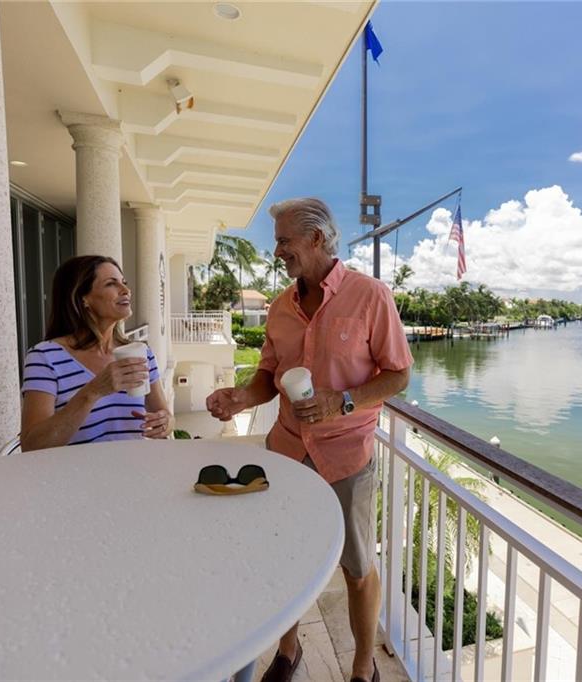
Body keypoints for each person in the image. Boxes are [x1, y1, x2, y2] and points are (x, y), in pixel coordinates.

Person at [206, 198, 412, 682]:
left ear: (316, 239)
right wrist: (240, 398)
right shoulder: (280, 308)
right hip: (286, 452)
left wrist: (341, 401)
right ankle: (289, 651)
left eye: (283, 240)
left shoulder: (370, 295)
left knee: (357, 567)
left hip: (345, 456)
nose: (277, 251)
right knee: (283, 555)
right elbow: (267, 377)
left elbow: (399, 375)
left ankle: (362, 669)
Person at [21, 255, 172, 450]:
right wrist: (93, 391)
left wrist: (165, 422)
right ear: (83, 298)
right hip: (72, 477)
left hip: (133, 471)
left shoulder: (141, 353)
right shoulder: (44, 358)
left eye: (124, 283)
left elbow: (166, 416)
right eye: (111, 284)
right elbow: (32, 445)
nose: (126, 290)